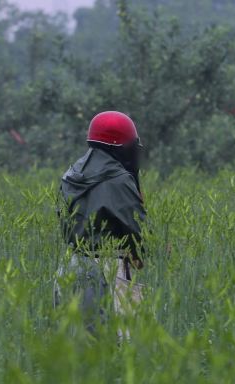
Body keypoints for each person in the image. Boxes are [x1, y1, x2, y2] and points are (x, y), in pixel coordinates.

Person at [54, 111, 146, 334]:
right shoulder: (119, 179)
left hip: (70, 267)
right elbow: (138, 230)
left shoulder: (71, 174)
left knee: (74, 347)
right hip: (110, 270)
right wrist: (143, 252)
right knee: (121, 346)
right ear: (120, 147)